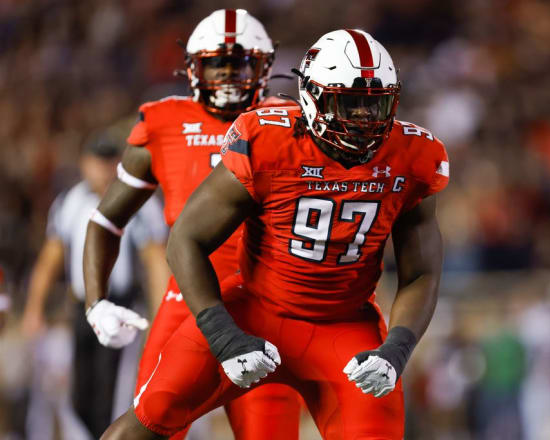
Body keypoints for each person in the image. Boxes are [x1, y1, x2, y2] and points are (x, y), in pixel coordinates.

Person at [101, 28, 448, 439]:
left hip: (344, 329)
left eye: (376, 105)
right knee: (147, 422)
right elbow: (186, 240)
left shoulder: (413, 156)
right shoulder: (267, 140)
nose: (364, 119)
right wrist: (222, 334)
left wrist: (397, 348)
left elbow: (421, 272)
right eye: (349, 103)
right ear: (313, 97)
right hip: (253, 313)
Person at [83, 9, 302, 440]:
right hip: (185, 301)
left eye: (239, 64)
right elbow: (107, 220)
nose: (227, 75)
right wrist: (96, 302)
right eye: (216, 64)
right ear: (192, 68)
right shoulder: (163, 122)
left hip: (265, 308)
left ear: (263, 66)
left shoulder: (292, 123)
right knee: (144, 432)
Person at [20, 131, 169, 439]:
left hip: (123, 307)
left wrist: (162, 316)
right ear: (84, 163)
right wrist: (34, 308)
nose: (102, 170)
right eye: (97, 162)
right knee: (79, 392)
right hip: (82, 308)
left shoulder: (138, 202)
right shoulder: (70, 201)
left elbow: (155, 261)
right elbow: (51, 257)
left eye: (109, 162)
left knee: (115, 392)